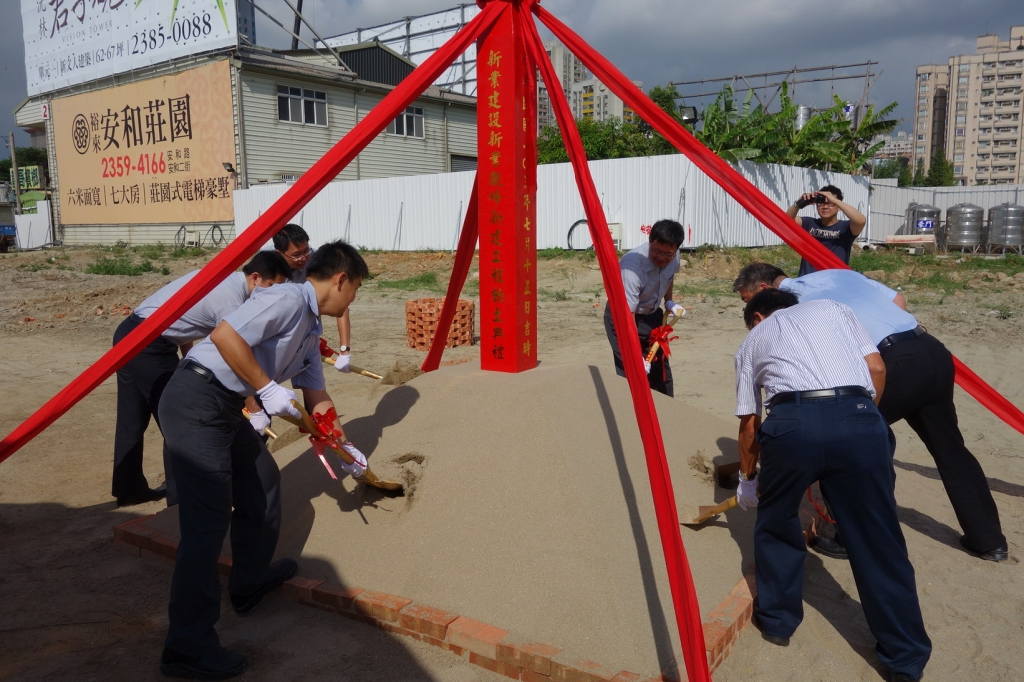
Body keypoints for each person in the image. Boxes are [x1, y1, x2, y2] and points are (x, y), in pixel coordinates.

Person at [157, 241, 369, 679]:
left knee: (262, 483)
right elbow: (224, 336)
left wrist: (343, 446)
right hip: (196, 398)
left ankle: (249, 581)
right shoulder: (286, 298)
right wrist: (267, 387)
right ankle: (186, 646)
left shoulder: (310, 329)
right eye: (355, 289)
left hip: (226, 405)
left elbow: (316, 395)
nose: (353, 300)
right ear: (340, 280)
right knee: (207, 523)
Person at [733, 263, 1008, 562]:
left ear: (764, 290)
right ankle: (988, 540)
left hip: (892, 364)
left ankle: (851, 538)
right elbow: (898, 300)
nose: (749, 310)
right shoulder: (836, 274)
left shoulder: (794, 309)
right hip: (929, 351)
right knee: (951, 450)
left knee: (845, 441)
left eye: (748, 301)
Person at [735, 289, 930, 682]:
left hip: (791, 424)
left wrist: (747, 479)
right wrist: (859, 418)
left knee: (776, 522)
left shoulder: (752, 340)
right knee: (877, 536)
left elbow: (750, 423)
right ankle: (904, 657)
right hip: (856, 414)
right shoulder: (833, 308)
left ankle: (777, 621)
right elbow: (876, 369)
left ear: (757, 317)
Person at [111, 250, 292, 507]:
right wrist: (253, 409)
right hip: (149, 344)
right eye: (272, 286)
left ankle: (129, 489)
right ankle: (179, 502)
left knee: (132, 416)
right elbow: (234, 354)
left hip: (131, 333)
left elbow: (185, 318)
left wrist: (188, 362)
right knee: (178, 418)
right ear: (255, 277)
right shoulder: (230, 301)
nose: (273, 295)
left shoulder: (223, 279)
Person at [604, 219, 686, 396]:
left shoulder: (674, 256)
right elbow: (628, 317)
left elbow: (669, 277)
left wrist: (669, 302)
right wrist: (635, 355)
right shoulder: (631, 267)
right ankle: (631, 407)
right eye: (656, 251)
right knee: (631, 370)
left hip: (652, 314)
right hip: (624, 317)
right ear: (649, 242)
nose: (661, 258)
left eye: (668, 254)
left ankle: (667, 406)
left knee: (660, 367)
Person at [273, 224, 354, 374]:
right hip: (277, 336)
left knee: (312, 383)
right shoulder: (267, 266)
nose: (303, 258)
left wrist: (344, 351)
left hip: (308, 334)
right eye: (296, 255)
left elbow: (341, 305)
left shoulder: (317, 262)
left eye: (306, 251)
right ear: (279, 253)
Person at [786, 184, 866, 276]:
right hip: (808, 279)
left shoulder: (845, 228)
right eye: (821, 203)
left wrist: (835, 200)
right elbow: (786, 221)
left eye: (830, 203)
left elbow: (861, 221)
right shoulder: (809, 223)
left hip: (834, 280)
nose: (825, 207)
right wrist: (798, 204)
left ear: (839, 207)